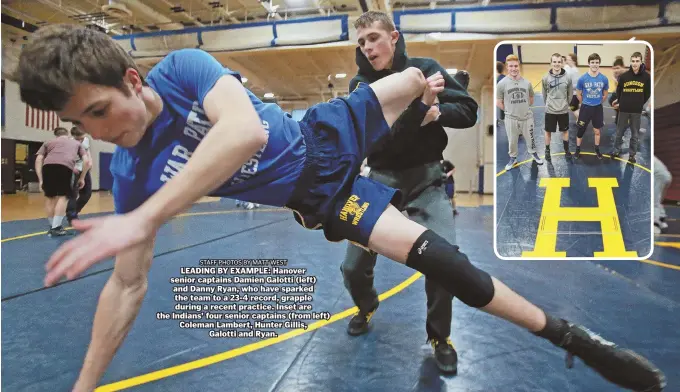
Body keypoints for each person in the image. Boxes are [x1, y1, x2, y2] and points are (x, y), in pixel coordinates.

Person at [16, 24, 665, 392]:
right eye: (80, 123)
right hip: (324, 192)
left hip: (320, 132)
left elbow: (245, 132)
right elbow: (126, 286)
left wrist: (145, 216)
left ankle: (427, 76)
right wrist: (84, 386)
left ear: (131, 81)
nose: (96, 132)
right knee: (449, 266)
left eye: (98, 111)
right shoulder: (131, 173)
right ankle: (574, 338)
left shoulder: (181, 70)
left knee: (415, 80)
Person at [340, 11, 477, 374]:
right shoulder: (359, 87)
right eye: (361, 42)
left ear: (393, 36)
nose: (367, 47)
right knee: (353, 265)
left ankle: (439, 336)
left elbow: (469, 111)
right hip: (380, 180)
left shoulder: (426, 67)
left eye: (373, 38)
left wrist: (435, 113)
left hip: (427, 178)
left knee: (445, 259)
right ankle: (365, 305)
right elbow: (366, 136)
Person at [35, 126, 90, 236]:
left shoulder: (48, 142)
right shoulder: (76, 144)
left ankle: (52, 226)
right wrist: (82, 177)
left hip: (47, 167)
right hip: (64, 167)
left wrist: (41, 180)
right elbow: (86, 161)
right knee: (63, 197)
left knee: (50, 197)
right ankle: (56, 228)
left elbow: (39, 159)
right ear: (67, 135)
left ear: (56, 135)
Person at [496, 54, 543, 171]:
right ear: (507, 67)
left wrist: (523, 107)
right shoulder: (502, 84)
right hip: (511, 119)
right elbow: (498, 102)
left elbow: (531, 99)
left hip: (527, 118)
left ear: (519, 66)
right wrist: (509, 110)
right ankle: (513, 158)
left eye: (516, 66)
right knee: (512, 141)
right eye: (511, 66)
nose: (514, 69)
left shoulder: (527, 83)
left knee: (531, 138)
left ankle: (534, 154)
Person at [611, 52, 651, 163]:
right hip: (624, 109)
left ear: (641, 62)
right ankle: (616, 151)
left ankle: (632, 155)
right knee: (619, 133)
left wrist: (639, 103)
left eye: (637, 61)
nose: (635, 63)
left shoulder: (646, 77)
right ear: (630, 62)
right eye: (633, 61)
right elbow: (619, 91)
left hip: (636, 111)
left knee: (634, 134)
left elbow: (647, 93)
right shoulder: (624, 76)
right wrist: (621, 102)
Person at [574, 53, 609, 160]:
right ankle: (577, 150)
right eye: (592, 62)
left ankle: (597, 149)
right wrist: (585, 102)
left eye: (597, 62)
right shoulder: (582, 79)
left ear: (599, 64)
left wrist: (598, 102)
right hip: (585, 108)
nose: (595, 64)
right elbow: (578, 94)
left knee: (597, 131)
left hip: (597, 108)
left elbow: (605, 94)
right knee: (581, 130)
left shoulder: (604, 79)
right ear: (589, 64)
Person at [541, 53, 573, 161]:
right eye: (554, 62)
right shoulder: (545, 78)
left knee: (565, 131)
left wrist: (566, 104)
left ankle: (566, 150)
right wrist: (549, 104)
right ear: (551, 63)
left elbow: (570, 93)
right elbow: (544, 93)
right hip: (550, 110)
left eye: (559, 62)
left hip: (563, 110)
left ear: (562, 63)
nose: (556, 64)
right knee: (548, 131)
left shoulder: (568, 77)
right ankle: (547, 151)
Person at [66, 126, 93, 224]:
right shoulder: (69, 143)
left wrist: (90, 160)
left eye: (82, 138)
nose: (80, 140)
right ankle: (71, 216)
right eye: (78, 139)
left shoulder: (86, 140)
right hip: (74, 169)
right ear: (73, 136)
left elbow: (87, 152)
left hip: (84, 168)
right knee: (73, 194)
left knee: (87, 194)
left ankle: (75, 211)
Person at [563, 53, 581, 119]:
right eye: (567, 60)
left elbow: (576, 85)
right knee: (575, 108)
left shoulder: (574, 71)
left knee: (574, 109)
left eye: (569, 60)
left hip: (574, 95)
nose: (567, 61)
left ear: (573, 61)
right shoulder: (571, 69)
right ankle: (579, 120)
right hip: (574, 94)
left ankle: (582, 121)